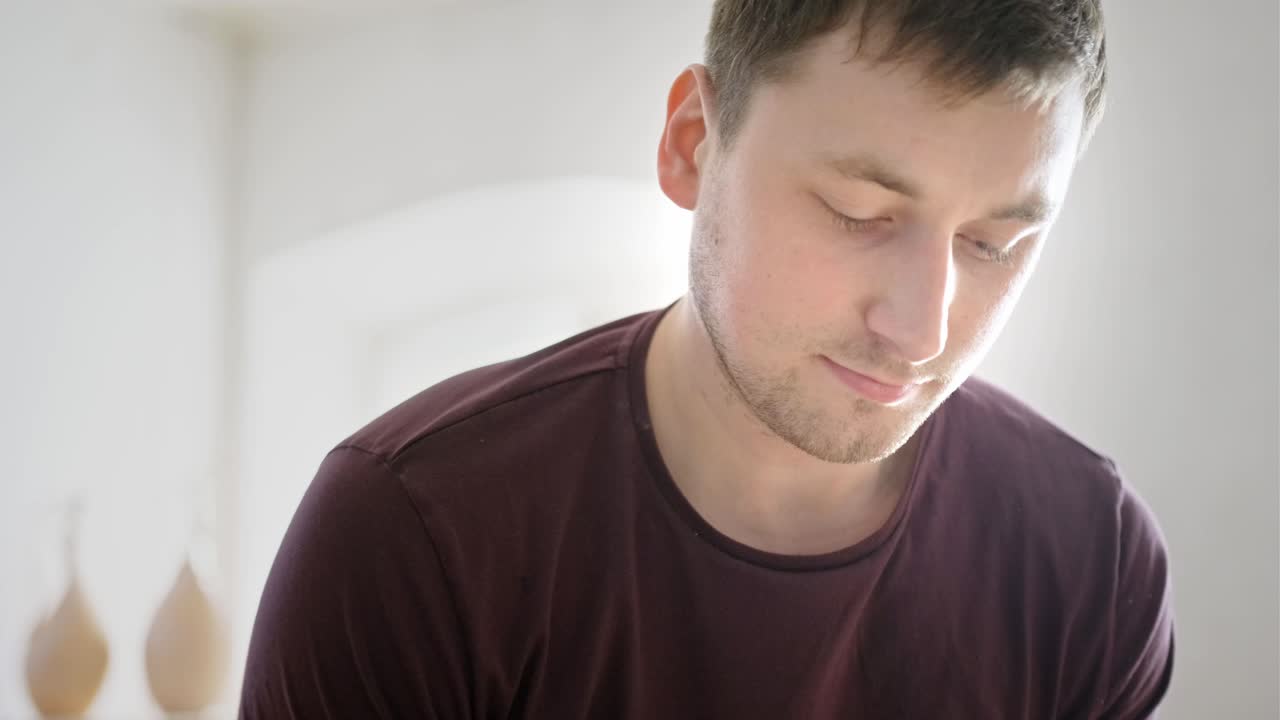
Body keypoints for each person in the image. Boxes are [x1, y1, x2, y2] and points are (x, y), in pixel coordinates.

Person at [239, 1, 1174, 717]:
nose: (921, 332)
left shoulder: (1091, 556)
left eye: (994, 246)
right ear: (694, 143)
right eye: (858, 212)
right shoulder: (414, 533)